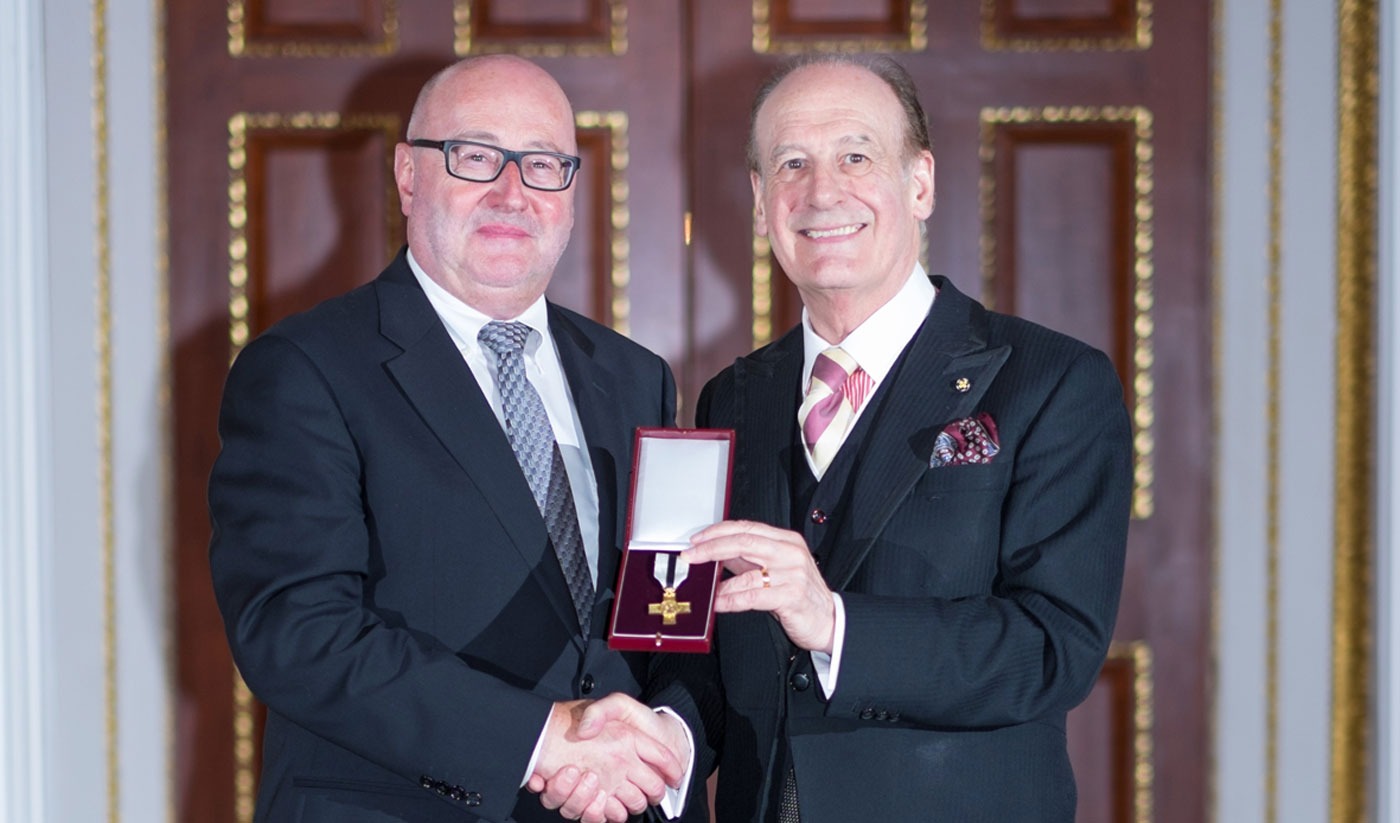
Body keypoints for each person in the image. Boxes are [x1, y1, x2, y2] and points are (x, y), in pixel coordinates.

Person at [548, 54, 1133, 822]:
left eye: (856, 156)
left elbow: (1053, 648)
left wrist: (835, 624)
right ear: (760, 202)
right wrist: (663, 736)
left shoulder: (1052, 381)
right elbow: (708, 639)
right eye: (792, 163)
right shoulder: (734, 396)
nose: (822, 192)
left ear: (919, 183)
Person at [209, 55, 697, 823]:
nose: (512, 192)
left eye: (543, 165)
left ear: (570, 193)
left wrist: (667, 737)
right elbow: (296, 631)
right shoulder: (305, 368)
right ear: (409, 174)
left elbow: (669, 613)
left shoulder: (636, 379)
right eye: (475, 157)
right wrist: (543, 738)